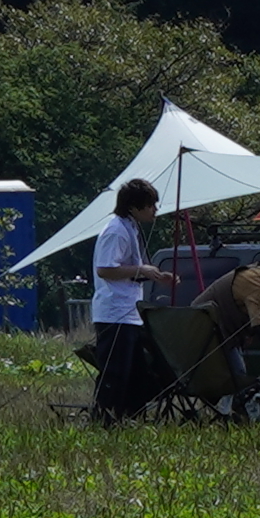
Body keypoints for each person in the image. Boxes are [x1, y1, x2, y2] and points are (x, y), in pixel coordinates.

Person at [88, 177, 179, 423]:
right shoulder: (116, 231)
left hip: (130, 312)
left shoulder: (130, 227)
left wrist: (155, 275)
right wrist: (142, 271)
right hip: (114, 312)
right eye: (150, 205)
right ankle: (103, 419)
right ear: (133, 206)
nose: (155, 210)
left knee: (139, 372)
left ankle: (130, 416)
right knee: (114, 372)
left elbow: (129, 269)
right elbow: (105, 270)